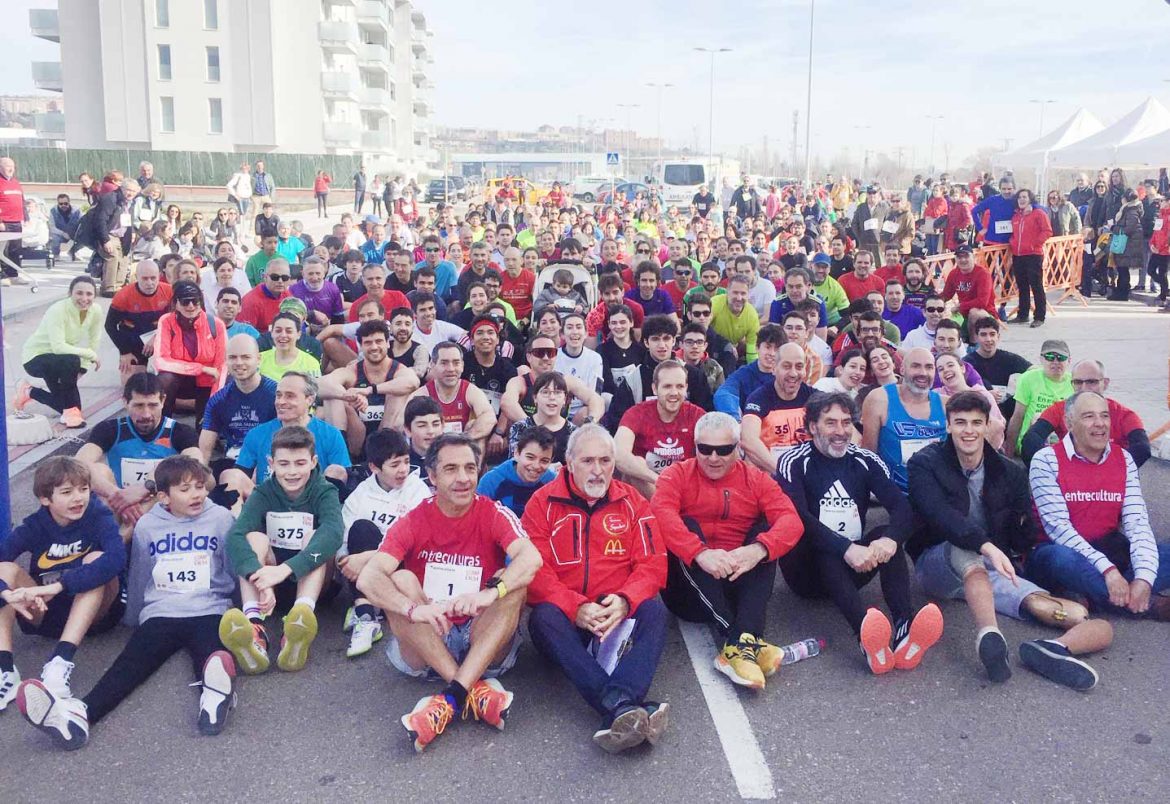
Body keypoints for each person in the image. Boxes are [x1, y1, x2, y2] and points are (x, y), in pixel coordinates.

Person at [17, 457, 239, 748]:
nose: (196, 494)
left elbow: (232, 566)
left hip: (209, 607)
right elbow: (141, 573)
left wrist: (236, 607)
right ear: (163, 497)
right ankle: (80, 717)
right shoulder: (147, 525)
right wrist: (134, 615)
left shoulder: (221, 518)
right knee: (128, 666)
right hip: (161, 612)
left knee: (212, 655)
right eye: (185, 489)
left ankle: (214, 697)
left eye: (200, 487)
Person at [908, 392, 1113, 689]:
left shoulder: (1010, 472)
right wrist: (986, 545)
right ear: (948, 426)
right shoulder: (925, 464)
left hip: (996, 565)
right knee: (966, 550)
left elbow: (1023, 532)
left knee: (1072, 612)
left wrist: (1024, 538)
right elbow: (940, 515)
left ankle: (1055, 649)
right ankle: (990, 636)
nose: (969, 430)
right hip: (938, 562)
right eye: (960, 422)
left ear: (987, 425)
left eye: (976, 423)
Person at [355, 434, 543, 753]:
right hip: (429, 638)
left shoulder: (493, 512)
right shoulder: (414, 519)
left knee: (512, 582)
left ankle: (451, 698)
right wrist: (414, 610)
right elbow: (369, 578)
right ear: (432, 476)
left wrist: (491, 592)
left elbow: (531, 559)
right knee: (399, 580)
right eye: (451, 469)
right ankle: (472, 690)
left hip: (482, 637)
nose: (463, 479)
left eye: (470, 468)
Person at [523, 425, 670, 753]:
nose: (597, 469)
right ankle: (623, 703)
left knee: (655, 610)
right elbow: (535, 572)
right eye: (588, 460)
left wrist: (625, 600)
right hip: (566, 622)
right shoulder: (540, 503)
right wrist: (575, 607)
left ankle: (617, 707)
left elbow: (653, 564)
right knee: (543, 617)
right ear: (568, 462)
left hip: (615, 615)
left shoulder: (632, 501)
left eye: (605, 460)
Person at [777, 393, 944, 675]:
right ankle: (866, 637)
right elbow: (796, 518)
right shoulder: (793, 461)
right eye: (830, 423)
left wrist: (889, 540)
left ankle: (904, 629)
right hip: (805, 571)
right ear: (813, 426)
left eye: (846, 422)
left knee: (882, 533)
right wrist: (845, 548)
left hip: (852, 568)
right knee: (826, 550)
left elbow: (901, 506)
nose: (841, 431)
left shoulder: (865, 460)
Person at [655, 412, 802, 690]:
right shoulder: (676, 475)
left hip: (736, 580)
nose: (713, 457)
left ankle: (738, 647)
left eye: (723, 450)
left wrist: (758, 549)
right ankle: (740, 639)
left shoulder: (756, 479)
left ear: (738, 449)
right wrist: (700, 553)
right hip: (688, 592)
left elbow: (791, 521)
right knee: (683, 525)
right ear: (694, 446)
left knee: (764, 533)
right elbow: (660, 515)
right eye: (705, 449)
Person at [1027, 391, 1170, 622]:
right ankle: (1148, 605)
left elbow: (1137, 523)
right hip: (1060, 553)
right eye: (1089, 416)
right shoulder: (1046, 460)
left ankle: (1095, 596)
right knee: (1060, 559)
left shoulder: (1123, 459)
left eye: (1104, 416)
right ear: (1069, 423)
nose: (1100, 424)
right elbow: (1059, 531)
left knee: (1159, 554)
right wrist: (1109, 571)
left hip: (1109, 550)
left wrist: (1143, 578)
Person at [0, 458, 125, 720]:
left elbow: (116, 559)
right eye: (67, 492)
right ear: (45, 499)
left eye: (83, 489)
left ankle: (60, 662)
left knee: (96, 561)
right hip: (45, 613)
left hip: (95, 612)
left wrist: (60, 585)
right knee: (5, 570)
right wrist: (6, 593)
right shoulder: (34, 525)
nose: (78, 498)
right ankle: (5, 669)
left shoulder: (97, 515)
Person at [218, 426, 342, 677]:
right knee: (254, 537)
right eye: (284, 464)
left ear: (313, 461)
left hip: (309, 581)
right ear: (271, 463)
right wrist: (260, 577)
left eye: (300, 463)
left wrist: (286, 569)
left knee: (315, 536)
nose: (292, 471)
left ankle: (299, 621)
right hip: (268, 588)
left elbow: (334, 532)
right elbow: (236, 535)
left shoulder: (325, 490)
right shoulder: (264, 492)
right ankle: (254, 626)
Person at [337, 430, 431, 659]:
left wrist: (367, 558)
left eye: (406, 462)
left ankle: (364, 610)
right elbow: (344, 536)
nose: (403, 470)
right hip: (364, 567)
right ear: (374, 468)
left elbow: (416, 544)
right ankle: (367, 613)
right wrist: (345, 561)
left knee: (366, 551)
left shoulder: (417, 491)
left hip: (403, 566)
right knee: (361, 529)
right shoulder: (361, 493)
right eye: (394, 464)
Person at [75, 372, 203, 532]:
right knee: (97, 470)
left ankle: (118, 543)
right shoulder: (110, 429)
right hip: (120, 504)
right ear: (125, 402)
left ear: (163, 401)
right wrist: (117, 495)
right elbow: (78, 464)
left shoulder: (180, 431)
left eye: (153, 405)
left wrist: (146, 487)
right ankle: (110, 536)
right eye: (139, 405)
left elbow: (197, 465)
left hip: (161, 507)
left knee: (169, 480)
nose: (146, 414)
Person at [224, 372, 350, 501]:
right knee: (231, 475)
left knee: (336, 471)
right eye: (278, 396)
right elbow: (241, 475)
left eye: (290, 396)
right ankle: (238, 519)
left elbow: (341, 475)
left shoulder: (330, 434)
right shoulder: (257, 434)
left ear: (310, 399)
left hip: (314, 504)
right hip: (268, 502)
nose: (281, 402)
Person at [319, 320, 420, 458]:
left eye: (379, 341)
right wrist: (347, 395)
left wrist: (371, 390)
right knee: (332, 397)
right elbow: (320, 385)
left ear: (387, 343)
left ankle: (385, 454)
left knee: (398, 393)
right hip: (356, 435)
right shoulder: (353, 371)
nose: (374, 347)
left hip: (388, 435)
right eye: (368, 343)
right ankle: (341, 459)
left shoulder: (399, 370)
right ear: (360, 346)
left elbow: (412, 382)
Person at [1021, 360, 1149, 467]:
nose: (1084, 388)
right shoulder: (1059, 409)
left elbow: (1142, 447)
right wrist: (1050, 469)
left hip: (1111, 478)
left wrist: (1110, 470)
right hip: (1070, 474)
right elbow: (1031, 438)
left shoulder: (1124, 414)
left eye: (1091, 382)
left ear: (1105, 383)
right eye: (1078, 382)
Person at [15, 276, 105, 428]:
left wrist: (83, 368)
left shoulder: (96, 310)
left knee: (71, 407)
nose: (84, 298)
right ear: (70, 293)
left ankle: (28, 391)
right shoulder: (57, 310)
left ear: (94, 296)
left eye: (89, 294)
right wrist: (90, 355)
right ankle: (69, 414)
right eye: (79, 293)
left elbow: (94, 340)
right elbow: (58, 347)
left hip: (61, 361)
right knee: (72, 360)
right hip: (35, 358)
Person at [614, 360, 705, 500]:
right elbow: (618, 454)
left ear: (686, 388)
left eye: (680, 386)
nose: (674, 392)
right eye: (667, 386)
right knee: (635, 464)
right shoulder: (637, 413)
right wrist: (659, 480)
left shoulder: (696, 415)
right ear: (655, 388)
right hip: (649, 486)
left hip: (685, 487)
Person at [860, 348, 946, 491]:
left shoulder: (946, 405)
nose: (923, 373)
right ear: (902, 369)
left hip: (938, 492)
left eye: (929, 367)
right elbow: (869, 453)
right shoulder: (880, 399)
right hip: (894, 493)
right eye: (915, 366)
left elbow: (993, 427)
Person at [153, 280, 228, 425]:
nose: (191, 306)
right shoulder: (166, 321)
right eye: (185, 302)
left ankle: (211, 429)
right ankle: (162, 426)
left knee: (205, 425)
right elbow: (161, 361)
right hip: (179, 382)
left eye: (195, 301)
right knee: (165, 379)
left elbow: (221, 367)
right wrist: (200, 368)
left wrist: (213, 402)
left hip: (206, 383)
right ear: (176, 303)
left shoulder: (216, 324)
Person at [741, 343, 816, 471]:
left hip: (809, 472)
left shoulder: (815, 398)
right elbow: (748, 439)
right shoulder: (759, 398)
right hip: (771, 471)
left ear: (805, 370)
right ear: (774, 368)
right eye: (786, 366)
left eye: (799, 367)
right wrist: (782, 472)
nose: (793, 373)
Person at [1005, 339, 1074, 457]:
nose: (1055, 362)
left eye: (1061, 358)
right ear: (1041, 359)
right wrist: (1009, 454)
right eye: (1050, 357)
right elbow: (1018, 416)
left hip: (1065, 444)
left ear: (1069, 360)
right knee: (1038, 418)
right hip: (1034, 442)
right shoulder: (1029, 378)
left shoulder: (1075, 382)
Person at [477, 426, 557, 517]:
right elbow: (479, 519)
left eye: (544, 461)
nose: (536, 466)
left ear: (551, 460)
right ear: (516, 453)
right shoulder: (491, 481)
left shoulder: (552, 482)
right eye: (530, 457)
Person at [963, 317, 1031, 421]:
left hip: (1005, 410)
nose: (988, 339)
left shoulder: (1008, 358)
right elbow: (958, 389)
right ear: (976, 337)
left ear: (998, 337)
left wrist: (1021, 385)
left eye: (992, 334)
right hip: (977, 410)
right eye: (983, 334)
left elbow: (1034, 370)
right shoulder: (967, 362)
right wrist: (983, 395)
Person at [713, 323, 785, 420]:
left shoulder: (787, 375)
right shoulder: (744, 374)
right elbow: (723, 394)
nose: (772, 353)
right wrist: (735, 418)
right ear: (757, 348)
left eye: (776, 349)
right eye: (768, 347)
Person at [935, 354, 1005, 449]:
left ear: (962, 368)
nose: (946, 370)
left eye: (950, 365)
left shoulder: (982, 394)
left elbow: (998, 428)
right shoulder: (935, 396)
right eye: (940, 369)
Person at [1007, 189, 1053, 326]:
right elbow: (1013, 234)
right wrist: (1012, 242)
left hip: (1033, 255)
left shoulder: (1038, 213)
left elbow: (1047, 231)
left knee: (1036, 286)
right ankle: (1023, 314)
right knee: (1022, 286)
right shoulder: (1015, 216)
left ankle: (1039, 316)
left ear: (1030, 199)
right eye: (1019, 197)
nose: (1021, 200)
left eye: (1024, 197)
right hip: (1018, 254)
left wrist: (1035, 244)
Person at [710, 274, 760, 364]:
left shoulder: (752, 315)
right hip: (709, 347)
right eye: (735, 293)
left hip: (733, 352)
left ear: (748, 295)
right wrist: (724, 343)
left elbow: (752, 353)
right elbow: (701, 329)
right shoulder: (714, 304)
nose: (739, 298)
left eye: (743, 293)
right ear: (727, 292)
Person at [1109, 188, 1145, 301]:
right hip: (1126, 243)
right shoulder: (1128, 209)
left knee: (1123, 268)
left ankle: (1123, 292)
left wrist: (1114, 228)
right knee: (1121, 268)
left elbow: (1130, 228)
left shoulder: (1132, 210)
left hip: (1128, 244)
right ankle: (1121, 291)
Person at [49, 193, 82, 261]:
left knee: (85, 237)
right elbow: (52, 227)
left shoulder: (77, 211)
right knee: (54, 237)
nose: (63, 205)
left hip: (74, 234)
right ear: (58, 203)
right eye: (61, 204)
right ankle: (55, 255)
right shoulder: (53, 211)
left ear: (69, 202)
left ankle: (72, 252)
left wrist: (77, 234)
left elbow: (82, 223)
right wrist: (63, 233)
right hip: (60, 235)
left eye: (65, 203)